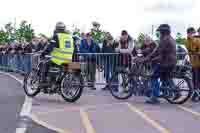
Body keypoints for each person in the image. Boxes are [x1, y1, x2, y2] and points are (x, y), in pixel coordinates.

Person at [139, 24, 177, 104]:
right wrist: (152, 58)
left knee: (153, 77)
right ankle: (177, 92)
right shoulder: (171, 38)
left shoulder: (164, 40)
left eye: (160, 32)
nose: (159, 33)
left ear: (163, 32)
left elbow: (156, 51)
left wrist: (146, 59)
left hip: (166, 63)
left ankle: (154, 97)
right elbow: (162, 53)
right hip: (171, 62)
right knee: (165, 77)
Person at [185, 27, 200, 102]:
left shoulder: (197, 40)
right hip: (194, 63)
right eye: (191, 33)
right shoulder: (187, 41)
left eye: (193, 33)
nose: (192, 34)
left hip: (197, 63)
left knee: (197, 80)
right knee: (195, 80)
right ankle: (196, 94)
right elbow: (189, 50)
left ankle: (196, 95)